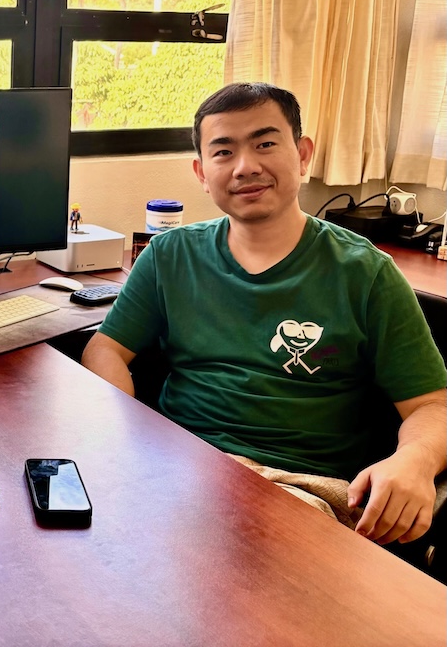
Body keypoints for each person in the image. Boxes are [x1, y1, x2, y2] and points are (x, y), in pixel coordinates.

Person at [82, 82, 446, 546]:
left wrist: (414, 460)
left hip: (300, 489)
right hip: (178, 467)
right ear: (201, 170)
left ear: (303, 153)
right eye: (223, 152)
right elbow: (106, 349)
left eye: (265, 144)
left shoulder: (366, 273)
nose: (245, 167)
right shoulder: (168, 256)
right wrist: (128, 431)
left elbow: (432, 405)